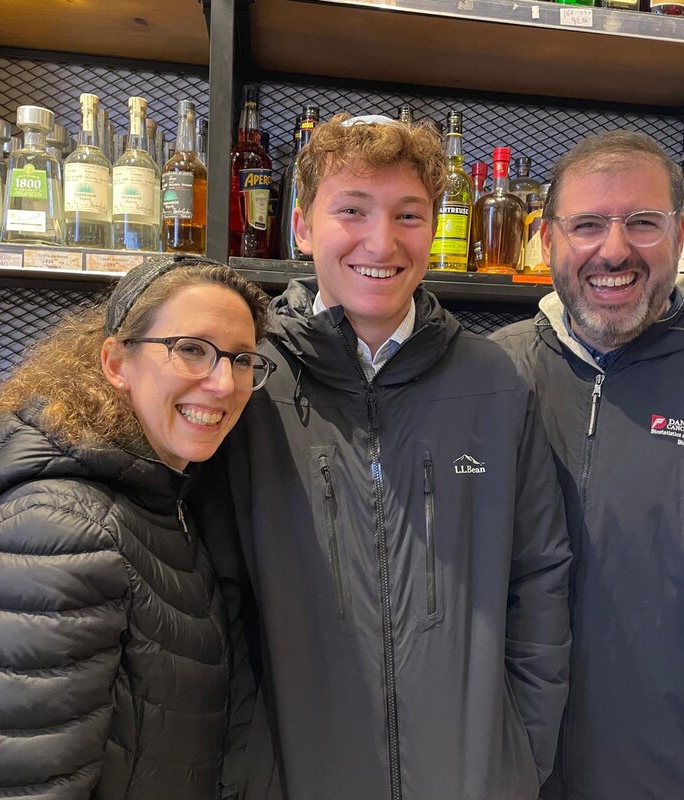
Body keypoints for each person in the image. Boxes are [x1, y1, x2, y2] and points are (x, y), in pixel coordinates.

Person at [199, 114, 572, 800]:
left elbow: (541, 576)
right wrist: (245, 765)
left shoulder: (495, 381)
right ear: (304, 227)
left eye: (409, 214)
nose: (382, 241)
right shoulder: (246, 381)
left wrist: (520, 756)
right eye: (352, 210)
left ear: (434, 229)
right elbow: (212, 595)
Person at [490, 130, 684, 800]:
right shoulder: (493, 375)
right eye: (587, 224)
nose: (613, 249)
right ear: (546, 239)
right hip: (513, 781)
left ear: (680, 235)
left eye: (641, 223)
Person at [0, 254, 275, 800]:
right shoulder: (62, 528)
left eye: (242, 360)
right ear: (116, 362)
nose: (223, 383)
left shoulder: (163, 497)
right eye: (191, 349)